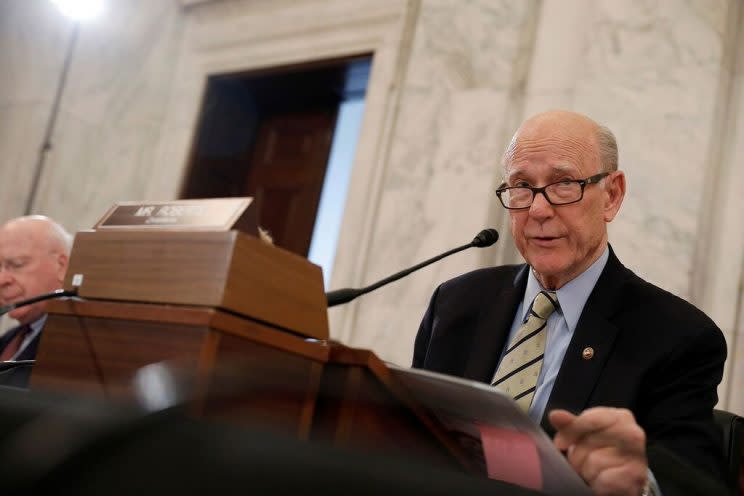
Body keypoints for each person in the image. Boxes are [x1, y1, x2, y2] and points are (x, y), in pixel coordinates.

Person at [413, 110, 727, 496]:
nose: (538, 210)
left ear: (611, 195)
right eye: (522, 186)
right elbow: (408, 440)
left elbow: (694, 484)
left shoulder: (678, 338)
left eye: (564, 184)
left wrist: (640, 485)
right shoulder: (456, 304)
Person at [0, 216, 72, 366]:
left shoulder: (79, 341)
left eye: (17, 264)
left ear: (62, 267)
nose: (2, 280)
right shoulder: (8, 339)